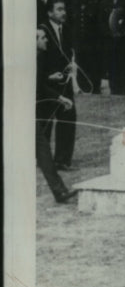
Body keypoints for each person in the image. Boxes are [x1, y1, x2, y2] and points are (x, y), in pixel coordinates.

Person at [36, 27, 77, 203]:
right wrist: (60, 97)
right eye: (42, 37)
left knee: (43, 149)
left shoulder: (37, 58)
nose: (46, 40)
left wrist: (60, 97)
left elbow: (39, 85)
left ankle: (59, 191)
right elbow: (39, 87)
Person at [40, 0, 77, 171]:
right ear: (49, 12)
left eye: (64, 9)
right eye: (59, 9)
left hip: (64, 83)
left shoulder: (67, 29)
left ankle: (62, 160)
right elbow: (37, 60)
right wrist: (48, 76)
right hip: (46, 84)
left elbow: (69, 51)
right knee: (45, 123)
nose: (63, 13)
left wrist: (69, 65)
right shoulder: (42, 30)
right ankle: (43, 160)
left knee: (68, 119)